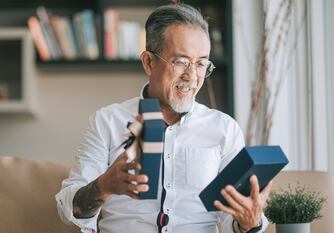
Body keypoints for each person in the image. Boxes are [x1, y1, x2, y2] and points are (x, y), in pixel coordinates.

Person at [56, 3, 272, 233]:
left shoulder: (224, 129)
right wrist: (104, 185)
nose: (192, 76)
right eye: (180, 62)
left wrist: (251, 221)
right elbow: (70, 211)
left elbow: (232, 223)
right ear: (149, 62)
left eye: (201, 64)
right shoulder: (107, 121)